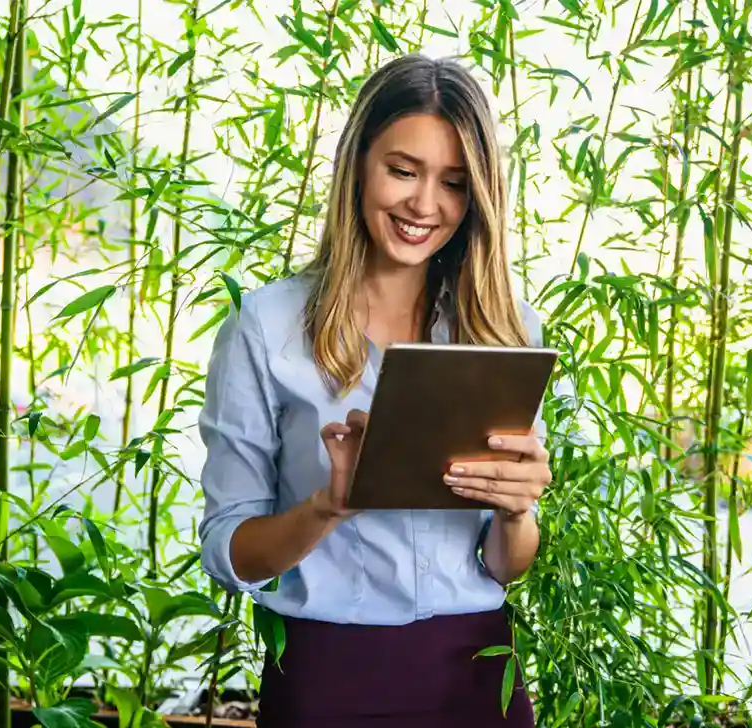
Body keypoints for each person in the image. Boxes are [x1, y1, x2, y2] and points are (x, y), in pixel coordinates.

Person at [197, 52, 551, 728]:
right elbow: (228, 551)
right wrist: (328, 507)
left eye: (453, 183)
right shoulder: (264, 326)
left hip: (479, 671)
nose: (425, 205)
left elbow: (505, 567)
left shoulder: (505, 329)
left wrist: (516, 512)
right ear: (357, 164)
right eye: (403, 171)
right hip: (328, 674)